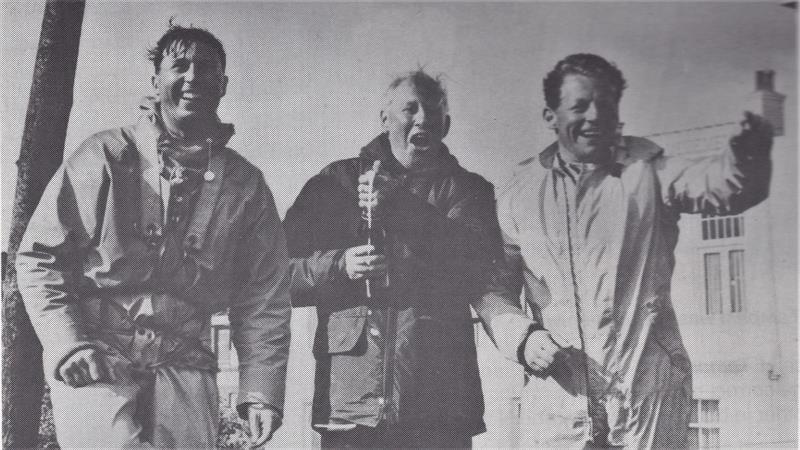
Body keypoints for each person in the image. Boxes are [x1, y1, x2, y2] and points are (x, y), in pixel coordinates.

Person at [16, 23, 291, 448]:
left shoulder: (246, 185)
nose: (193, 77)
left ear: (223, 84)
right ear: (156, 80)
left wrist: (260, 393)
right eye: (179, 65)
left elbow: (264, 295)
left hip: (187, 361)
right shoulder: (104, 156)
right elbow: (39, 258)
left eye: (206, 68)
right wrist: (67, 344)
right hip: (100, 354)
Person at [485, 53, 773, 448]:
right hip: (559, 397)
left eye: (605, 104)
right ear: (550, 115)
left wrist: (750, 150)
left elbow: (728, 187)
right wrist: (522, 337)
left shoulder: (649, 173)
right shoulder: (519, 194)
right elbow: (493, 286)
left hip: (646, 391)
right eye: (579, 105)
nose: (594, 116)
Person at [283, 70, 536, 448]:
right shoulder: (334, 183)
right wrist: (339, 265)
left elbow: (479, 273)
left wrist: (401, 207)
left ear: (446, 125)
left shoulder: (471, 192)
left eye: (432, 111)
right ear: (385, 119)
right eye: (410, 108)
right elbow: (274, 277)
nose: (422, 119)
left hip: (439, 409)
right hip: (350, 408)